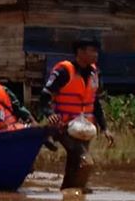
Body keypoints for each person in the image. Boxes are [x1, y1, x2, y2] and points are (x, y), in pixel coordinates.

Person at [43, 38, 108, 189]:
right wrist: (49, 113)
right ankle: (76, 194)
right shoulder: (64, 71)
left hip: (85, 128)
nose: (96, 54)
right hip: (64, 126)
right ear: (80, 52)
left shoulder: (94, 72)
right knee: (85, 162)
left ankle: (69, 194)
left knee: (74, 163)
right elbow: (45, 96)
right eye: (92, 51)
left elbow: (95, 102)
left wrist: (105, 128)